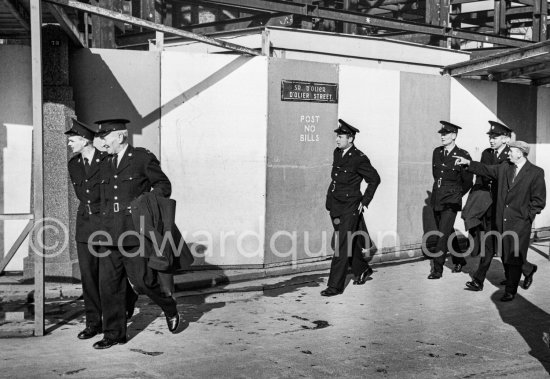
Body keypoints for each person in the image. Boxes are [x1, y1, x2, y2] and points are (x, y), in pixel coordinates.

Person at [92, 118, 180, 349]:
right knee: (109, 286)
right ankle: (114, 334)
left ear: (119, 136)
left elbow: (164, 186)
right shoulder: (104, 162)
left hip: (133, 232)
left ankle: (169, 306)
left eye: (105, 137)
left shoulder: (141, 158)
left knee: (143, 282)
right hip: (108, 233)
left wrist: (143, 203)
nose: (102, 141)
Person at [65, 118, 138, 341]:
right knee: (88, 276)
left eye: (73, 139)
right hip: (85, 224)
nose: (69, 143)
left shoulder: (107, 161)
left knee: (109, 278)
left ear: (86, 141)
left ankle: (116, 320)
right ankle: (93, 323)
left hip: (106, 223)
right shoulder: (74, 164)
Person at [454, 141, 546, 301]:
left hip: (520, 223)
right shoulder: (504, 167)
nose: (509, 154)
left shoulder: (536, 172)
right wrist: (468, 163)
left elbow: (539, 200)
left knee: (515, 256)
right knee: (504, 253)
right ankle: (528, 270)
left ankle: (510, 290)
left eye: (512, 151)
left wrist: (527, 217)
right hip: (500, 220)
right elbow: (486, 169)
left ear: (520, 153)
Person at [321, 119, 380, 297]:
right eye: (337, 136)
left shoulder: (359, 158)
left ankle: (335, 286)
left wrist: (365, 201)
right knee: (349, 241)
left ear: (351, 139)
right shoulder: (337, 153)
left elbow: (374, 179)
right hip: (336, 205)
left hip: (350, 207)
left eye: (340, 137)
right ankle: (362, 270)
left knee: (341, 245)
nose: (337, 140)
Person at [463, 121, 511, 291]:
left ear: (505, 139)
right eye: (490, 137)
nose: (491, 140)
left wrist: (474, 166)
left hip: (503, 208)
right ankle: (478, 280)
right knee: (489, 243)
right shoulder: (486, 153)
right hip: (487, 206)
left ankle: (525, 270)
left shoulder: (511, 155)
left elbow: (493, 173)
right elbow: (482, 178)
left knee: (506, 245)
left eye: (495, 137)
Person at [428, 121, 473, 279]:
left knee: (442, 234)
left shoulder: (463, 155)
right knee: (447, 231)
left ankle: (437, 269)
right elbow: (436, 175)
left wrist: (456, 194)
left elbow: (468, 181)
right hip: (437, 197)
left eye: (445, 134)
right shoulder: (437, 152)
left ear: (454, 136)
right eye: (441, 134)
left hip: (451, 200)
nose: (442, 136)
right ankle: (459, 259)